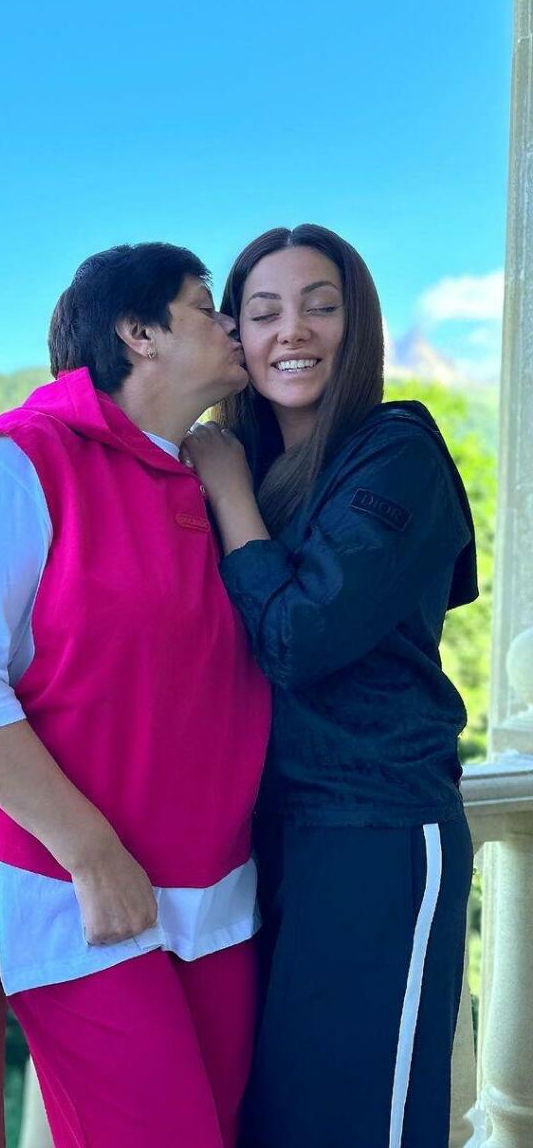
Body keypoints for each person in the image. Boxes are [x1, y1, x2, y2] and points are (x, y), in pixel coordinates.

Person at [0, 242, 272, 1147]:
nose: (231, 324)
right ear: (138, 333)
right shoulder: (21, 461)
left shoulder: (213, 477)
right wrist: (91, 853)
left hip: (211, 879)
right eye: (205, 306)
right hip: (71, 882)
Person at [182, 224, 477, 1148]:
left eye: (320, 306)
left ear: (360, 326)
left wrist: (227, 490)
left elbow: (300, 637)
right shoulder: (255, 465)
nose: (292, 331)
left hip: (376, 831)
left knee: (360, 1124)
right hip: (263, 837)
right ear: (235, 334)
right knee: (279, 1123)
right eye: (263, 311)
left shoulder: (396, 449)